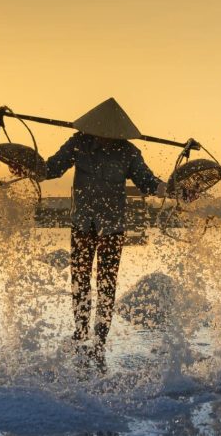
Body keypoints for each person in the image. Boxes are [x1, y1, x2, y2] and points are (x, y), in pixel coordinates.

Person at [44, 98, 167, 363]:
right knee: (80, 280)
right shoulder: (78, 142)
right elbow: (52, 167)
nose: (105, 139)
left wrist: (169, 189)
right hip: (82, 224)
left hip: (112, 227)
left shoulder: (129, 152)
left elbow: (146, 181)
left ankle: (99, 341)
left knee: (106, 284)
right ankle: (80, 332)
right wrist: (30, 169)